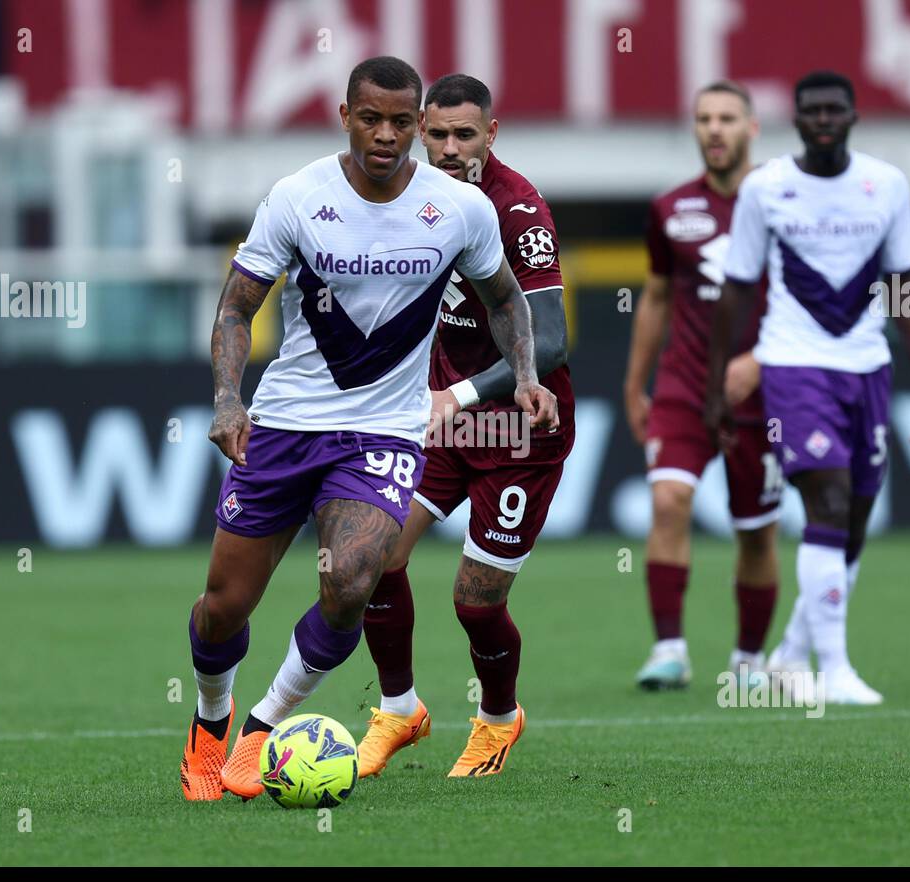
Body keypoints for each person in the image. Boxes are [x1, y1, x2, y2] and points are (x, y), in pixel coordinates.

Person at [178, 56, 557, 801]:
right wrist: (228, 398)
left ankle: (260, 730)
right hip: (285, 425)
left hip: (382, 432)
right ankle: (209, 719)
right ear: (345, 115)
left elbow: (509, 301)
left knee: (350, 580)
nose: (387, 135)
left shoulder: (458, 209)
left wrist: (527, 373)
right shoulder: (297, 197)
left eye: (401, 122)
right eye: (371, 119)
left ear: (417, 124)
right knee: (223, 607)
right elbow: (234, 308)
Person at [357, 73, 571, 779]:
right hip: (442, 418)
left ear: (492, 135)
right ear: (421, 130)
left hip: (519, 430)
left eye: (465, 135)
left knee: (475, 604)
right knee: (368, 557)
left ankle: (498, 720)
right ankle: (398, 709)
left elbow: (553, 339)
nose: (451, 150)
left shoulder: (518, 210)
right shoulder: (408, 198)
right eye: (439, 134)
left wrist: (460, 395)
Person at [707, 71, 910, 705]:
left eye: (833, 110)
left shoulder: (886, 185)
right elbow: (736, 288)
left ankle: (790, 654)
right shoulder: (767, 189)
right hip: (792, 363)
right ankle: (833, 669)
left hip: (868, 366)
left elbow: (903, 286)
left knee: (856, 520)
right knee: (829, 504)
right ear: (797, 120)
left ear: (852, 115)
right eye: (810, 110)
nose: (822, 119)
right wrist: (716, 383)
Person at [624, 80, 780, 692]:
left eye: (727, 118)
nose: (714, 129)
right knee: (668, 502)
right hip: (685, 389)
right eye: (703, 119)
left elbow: (809, 300)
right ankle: (669, 649)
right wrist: (637, 383)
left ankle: (747, 660)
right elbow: (657, 297)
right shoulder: (670, 210)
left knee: (756, 530)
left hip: (762, 397)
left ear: (752, 128)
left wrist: (762, 361)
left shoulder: (782, 204)